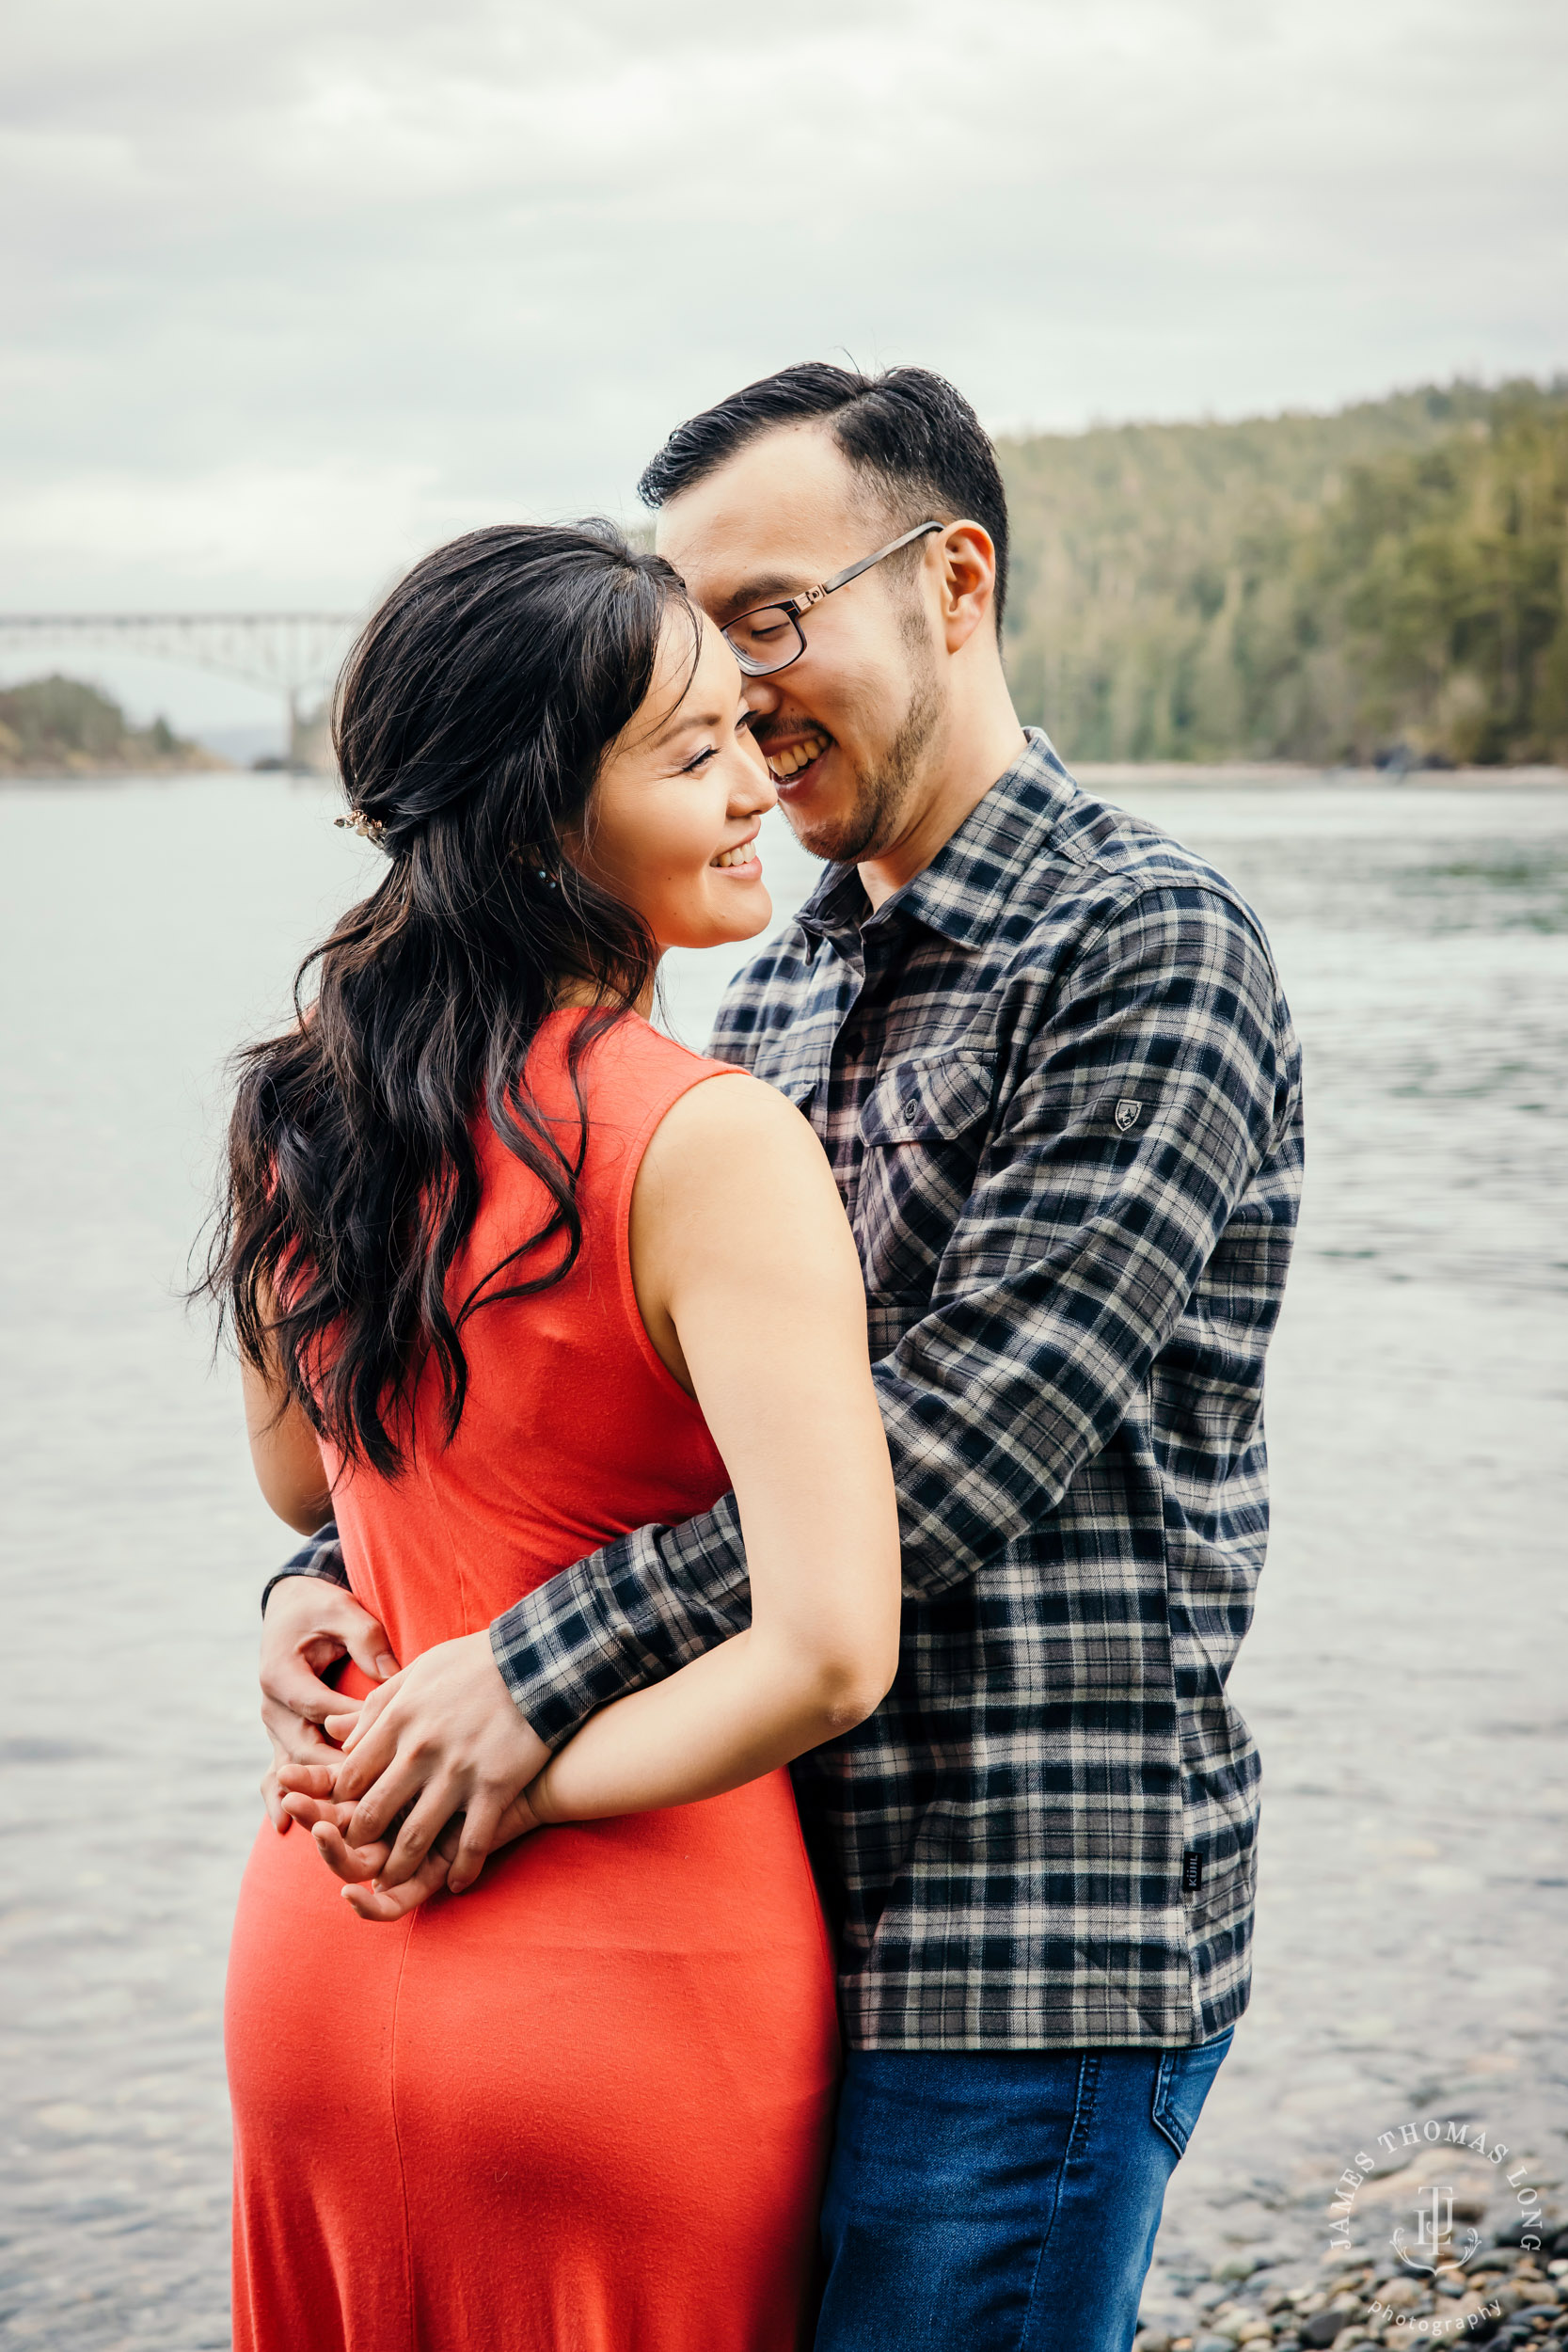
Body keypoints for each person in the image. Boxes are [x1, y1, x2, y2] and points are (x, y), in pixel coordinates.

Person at [262, 365, 1306, 2352]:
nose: (732, 700)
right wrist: (331, 1590)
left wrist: (522, 1669)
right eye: (692, 638)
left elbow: (958, 1440)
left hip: (1022, 1938)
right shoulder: (790, 978)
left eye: (766, 620)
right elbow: (620, 1418)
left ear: (956, 582)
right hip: (759, 1909)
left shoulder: (1149, 946)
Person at [211, 519, 903, 2352]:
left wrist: (317, 1616)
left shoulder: (304, 1095)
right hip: (632, 1998)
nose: (760, 781)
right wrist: (529, 1774)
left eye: (743, 733)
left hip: (327, 1933)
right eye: (693, 754)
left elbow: (314, 1490)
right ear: (537, 822)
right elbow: (832, 1647)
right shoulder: (712, 1140)